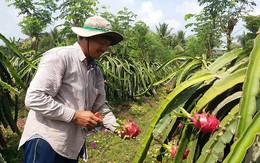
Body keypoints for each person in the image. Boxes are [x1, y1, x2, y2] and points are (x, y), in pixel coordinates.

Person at [19, 16, 124, 163]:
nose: (105, 48)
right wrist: (74, 115)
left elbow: (100, 106)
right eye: (102, 42)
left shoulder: (95, 71)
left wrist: (118, 127)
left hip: (70, 147)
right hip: (46, 141)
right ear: (84, 37)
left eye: (107, 45)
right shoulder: (60, 57)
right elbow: (34, 98)